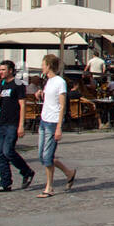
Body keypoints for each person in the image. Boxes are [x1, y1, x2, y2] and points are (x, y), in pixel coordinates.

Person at [0, 61, 35, 193]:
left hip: (12, 123)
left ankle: (26, 171)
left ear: (10, 70)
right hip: (2, 122)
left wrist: (21, 125)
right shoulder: (0, 85)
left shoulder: (18, 84)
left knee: (8, 151)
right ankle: (5, 183)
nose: (1, 72)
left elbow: (22, 105)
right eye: (0, 70)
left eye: (3, 70)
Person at [36, 54, 77, 198]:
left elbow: (62, 105)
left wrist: (59, 126)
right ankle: (68, 172)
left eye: (43, 64)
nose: (41, 67)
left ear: (48, 66)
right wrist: (41, 94)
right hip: (44, 120)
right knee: (42, 156)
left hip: (53, 122)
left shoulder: (60, 81)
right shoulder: (48, 82)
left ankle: (49, 187)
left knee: (47, 157)